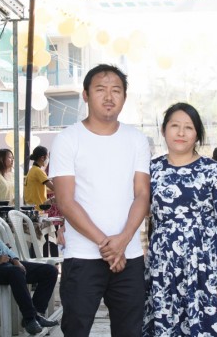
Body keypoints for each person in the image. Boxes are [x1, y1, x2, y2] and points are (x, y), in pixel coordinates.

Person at [52, 64, 151, 337]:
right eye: (100, 89)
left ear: (124, 98)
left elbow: (142, 194)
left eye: (116, 90)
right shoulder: (68, 139)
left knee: (130, 331)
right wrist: (106, 245)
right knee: (76, 330)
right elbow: (65, 200)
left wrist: (121, 242)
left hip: (129, 257)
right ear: (85, 95)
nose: (109, 96)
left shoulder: (136, 140)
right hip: (82, 257)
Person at [144, 103, 217, 336]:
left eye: (189, 127)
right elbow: (138, 217)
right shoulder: (150, 170)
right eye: (175, 126)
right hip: (162, 265)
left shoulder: (214, 171)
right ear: (164, 130)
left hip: (205, 265)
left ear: (197, 134)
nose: (181, 133)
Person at [0, 182, 59, 335]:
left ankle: (36, 314)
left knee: (49, 271)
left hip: (4, 263)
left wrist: (14, 258)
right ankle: (30, 318)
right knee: (16, 272)